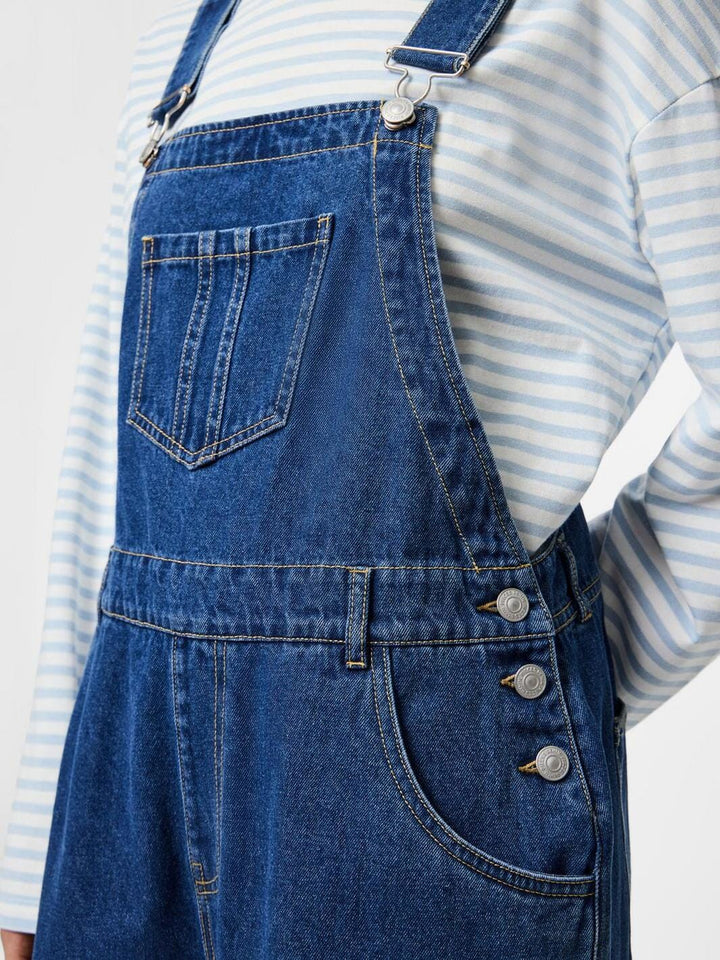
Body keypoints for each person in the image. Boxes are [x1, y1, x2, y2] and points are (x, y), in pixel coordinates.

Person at [1, 0, 718, 957]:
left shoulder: (625, 20)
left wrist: (561, 656)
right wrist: (34, 857)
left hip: (426, 789)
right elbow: (109, 462)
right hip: (127, 802)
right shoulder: (186, 48)